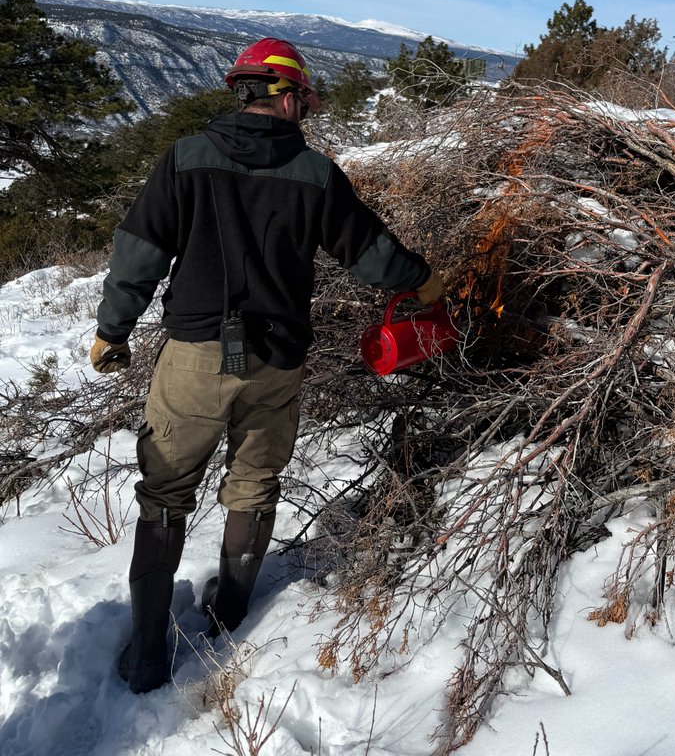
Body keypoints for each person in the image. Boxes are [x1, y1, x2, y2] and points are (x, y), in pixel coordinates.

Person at [90, 37, 444, 694]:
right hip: (277, 361)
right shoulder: (315, 173)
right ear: (284, 95)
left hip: (194, 357)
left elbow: (137, 257)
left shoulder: (185, 159)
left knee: (165, 494)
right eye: (304, 96)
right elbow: (372, 257)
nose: (306, 107)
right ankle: (227, 616)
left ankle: (146, 655)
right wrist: (422, 282)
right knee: (253, 488)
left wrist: (112, 332)